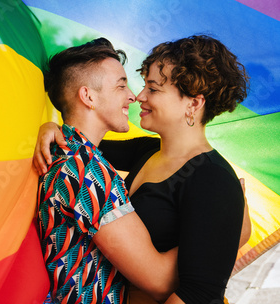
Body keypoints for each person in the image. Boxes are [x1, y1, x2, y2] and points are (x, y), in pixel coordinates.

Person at [34, 35, 251, 304]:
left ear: (194, 104)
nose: (138, 96)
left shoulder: (212, 178)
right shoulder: (146, 150)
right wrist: (50, 128)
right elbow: (83, 142)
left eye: (154, 89)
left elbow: (198, 294)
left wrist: (221, 242)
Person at [37, 37, 179, 304]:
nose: (132, 96)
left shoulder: (65, 152)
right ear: (88, 96)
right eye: (121, 85)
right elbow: (159, 281)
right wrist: (226, 236)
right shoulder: (87, 171)